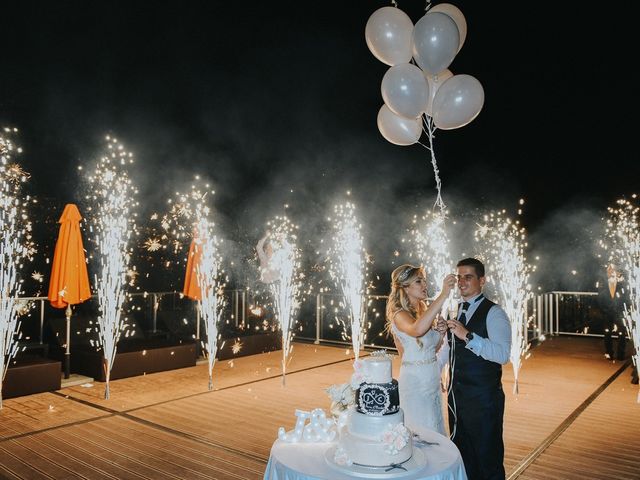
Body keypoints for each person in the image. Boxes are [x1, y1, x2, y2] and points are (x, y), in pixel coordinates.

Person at [444, 257, 511, 480]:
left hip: (484, 401)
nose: (462, 282)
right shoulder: (455, 310)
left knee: (487, 459)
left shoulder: (495, 313)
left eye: (468, 277)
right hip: (457, 400)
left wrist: (467, 335)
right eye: (459, 276)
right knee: (463, 457)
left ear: (482, 280)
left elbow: (502, 355)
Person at [385, 264, 457, 438]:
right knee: (420, 430)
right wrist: (443, 294)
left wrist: (440, 333)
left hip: (430, 378)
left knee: (434, 425)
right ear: (405, 287)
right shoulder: (399, 315)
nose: (425, 284)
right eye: (418, 281)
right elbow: (416, 330)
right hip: (415, 383)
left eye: (424, 280)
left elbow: (431, 348)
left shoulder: (422, 311)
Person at [597, 264, 626, 361]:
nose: (610, 272)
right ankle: (609, 352)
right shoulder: (603, 284)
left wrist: (622, 310)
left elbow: (625, 298)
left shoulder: (621, 283)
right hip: (608, 313)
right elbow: (600, 298)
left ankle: (621, 354)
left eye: (611, 270)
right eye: (608, 271)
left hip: (619, 313)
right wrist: (605, 310)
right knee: (607, 332)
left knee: (621, 333)